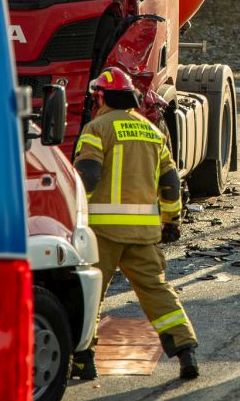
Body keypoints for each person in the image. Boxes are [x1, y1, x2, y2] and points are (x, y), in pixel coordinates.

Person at [71, 66, 199, 380]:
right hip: (144, 233)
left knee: (89, 294)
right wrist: (171, 220)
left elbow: (88, 176)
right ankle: (186, 351)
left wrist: (72, 213)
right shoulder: (152, 132)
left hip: (102, 233)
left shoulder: (97, 129)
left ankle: (84, 361)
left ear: (101, 97)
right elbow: (170, 182)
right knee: (157, 291)